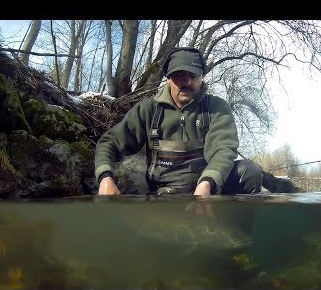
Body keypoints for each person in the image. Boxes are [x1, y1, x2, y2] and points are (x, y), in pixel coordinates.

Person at [95, 47, 280, 197]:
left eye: (194, 76)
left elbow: (223, 151)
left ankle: (240, 234)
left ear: (202, 77)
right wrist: (105, 178)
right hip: (163, 195)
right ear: (168, 78)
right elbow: (109, 142)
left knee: (249, 170)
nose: (187, 82)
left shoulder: (216, 108)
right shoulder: (148, 110)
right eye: (179, 76)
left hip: (209, 191)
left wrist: (207, 183)